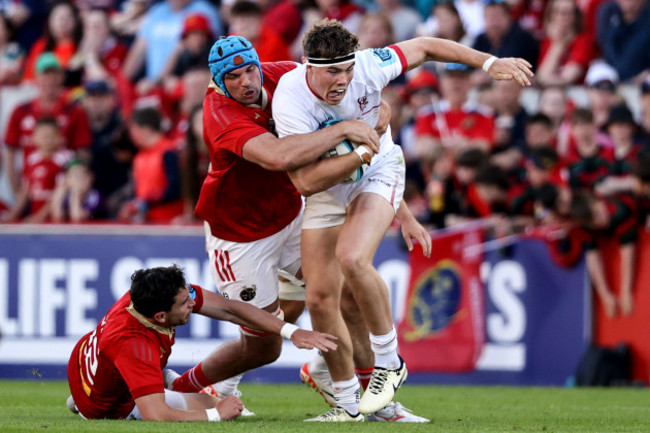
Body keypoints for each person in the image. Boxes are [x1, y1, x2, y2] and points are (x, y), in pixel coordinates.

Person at [271, 18, 533, 421]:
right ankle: (348, 405)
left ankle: (389, 364)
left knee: (353, 259)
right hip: (330, 184)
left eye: (347, 69)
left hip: (378, 169)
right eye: (331, 71)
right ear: (306, 65)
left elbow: (427, 45)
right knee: (322, 299)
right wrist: (352, 137)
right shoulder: (289, 98)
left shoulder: (371, 64)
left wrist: (488, 62)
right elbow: (305, 182)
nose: (342, 80)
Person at [166, 35, 430, 422]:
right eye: (233, 76)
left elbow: (370, 120)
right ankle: (186, 386)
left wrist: (401, 209)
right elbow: (279, 156)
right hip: (241, 236)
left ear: (260, 64)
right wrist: (347, 130)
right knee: (264, 347)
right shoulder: (219, 113)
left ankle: (369, 399)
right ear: (220, 82)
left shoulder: (288, 77)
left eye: (249, 70)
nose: (245, 82)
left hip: (293, 215)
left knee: (345, 297)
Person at [66, 264, 337, 421]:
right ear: (160, 316)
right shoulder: (133, 343)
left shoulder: (149, 297)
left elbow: (231, 309)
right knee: (212, 403)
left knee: (149, 372)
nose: (193, 304)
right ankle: (85, 405)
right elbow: (157, 414)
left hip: (86, 364)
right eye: (185, 303)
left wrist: (290, 332)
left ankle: (161, 379)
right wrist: (215, 413)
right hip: (103, 406)